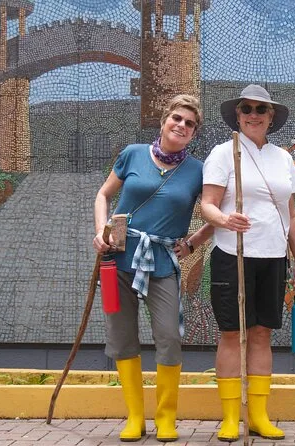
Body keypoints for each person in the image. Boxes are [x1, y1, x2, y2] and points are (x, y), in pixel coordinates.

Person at [93, 94, 213, 442]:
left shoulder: (198, 171)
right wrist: (100, 231)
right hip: (117, 259)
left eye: (190, 124)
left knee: (169, 337)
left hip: (161, 263)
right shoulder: (132, 154)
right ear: (163, 121)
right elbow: (103, 195)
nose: (181, 126)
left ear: (194, 133)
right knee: (122, 336)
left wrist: (192, 243)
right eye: (177, 118)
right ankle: (134, 418)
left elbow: (214, 214)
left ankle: (166, 419)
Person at [200, 84, 295, 442]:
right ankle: (232, 417)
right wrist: (224, 219)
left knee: (262, 334)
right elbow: (207, 204)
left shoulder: (283, 158)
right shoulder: (223, 153)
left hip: (273, 256)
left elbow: (291, 215)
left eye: (261, 109)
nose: (254, 115)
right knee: (232, 334)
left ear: (271, 116)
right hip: (233, 254)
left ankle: (258, 416)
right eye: (247, 109)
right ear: (238, 114)